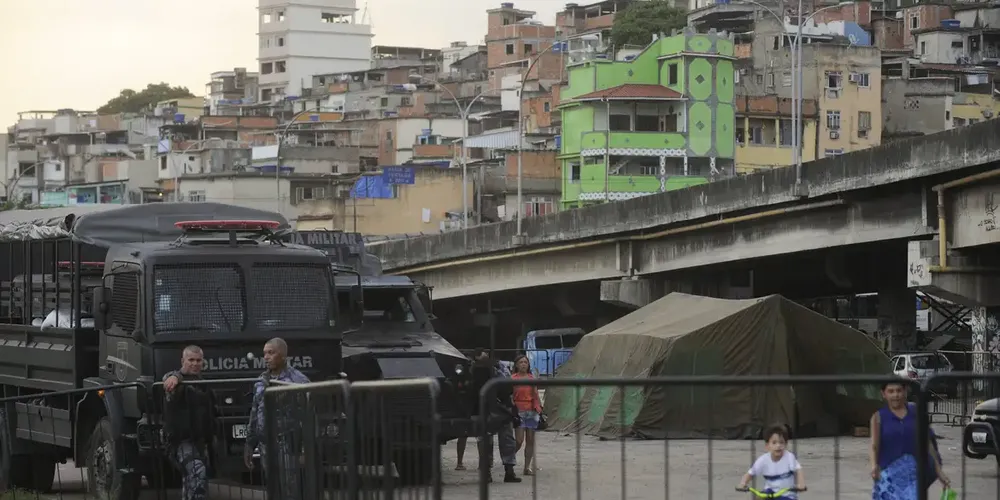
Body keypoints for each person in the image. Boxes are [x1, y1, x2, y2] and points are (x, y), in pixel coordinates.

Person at [244, 338, 311, 499]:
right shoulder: (261, 381)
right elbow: (255, 413)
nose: (266, 357)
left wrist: (305, 449)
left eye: (271, 353)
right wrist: (249, 443)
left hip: (287, 444)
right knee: (273, 490)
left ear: (283, 355)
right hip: (265, 445)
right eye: (265, 353)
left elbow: (308, 416)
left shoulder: (298, 381)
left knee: (290, 490)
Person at [870, 382, 950, 500]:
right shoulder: (878, 417)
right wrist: (874, 466)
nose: (895, 395)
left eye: (899, 390)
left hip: (914, 476)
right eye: (891, 391)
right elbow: (874, 446)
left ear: (905, 392)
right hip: (888, 478)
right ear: (883, 394)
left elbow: (927, 444)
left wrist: (939, 472)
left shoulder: (917, 413)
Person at [162, 346, 215, 500]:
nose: (195, 363)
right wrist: (175, 377)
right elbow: (169, 379)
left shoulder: (203, 383)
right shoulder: (176, 381)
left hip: (199, 441)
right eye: (191, 360)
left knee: (192, 481)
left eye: (198, 360)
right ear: (182, 361)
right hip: (180, 442)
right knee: (197, 472)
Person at [471, 348, 521, 483]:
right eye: (481, 353)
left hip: (502, 408)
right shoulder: (474, 369)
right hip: (484, 409)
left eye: (486, 352)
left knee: (507, 441)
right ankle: (486, 472)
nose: (484, 355)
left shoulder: (499, 367)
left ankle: (509, 471)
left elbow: (508, 386)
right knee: (485, 443)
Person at [737, 424, 806, 500]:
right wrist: (743, 483)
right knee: (758, 498)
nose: (778, 446)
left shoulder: (789, 457)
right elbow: (750, 473)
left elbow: (798, 470)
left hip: (787, 494)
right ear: (767, 446)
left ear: (786, 445)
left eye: (781, 442)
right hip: (770, 492)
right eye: (774, 443)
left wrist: (801, 484)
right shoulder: (763, 460)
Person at [511, 354, 542, 476]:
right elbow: (509, 395)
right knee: (519, 440)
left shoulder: (531, 378)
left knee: (530, 440)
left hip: (532, 411)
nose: (523, 364)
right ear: (517, 365)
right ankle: (509, 459)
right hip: (519, 411)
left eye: (525, 362)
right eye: (521, 362)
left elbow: (536, 394)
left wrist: (539, 408)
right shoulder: (512, 378)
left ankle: (526, 467)